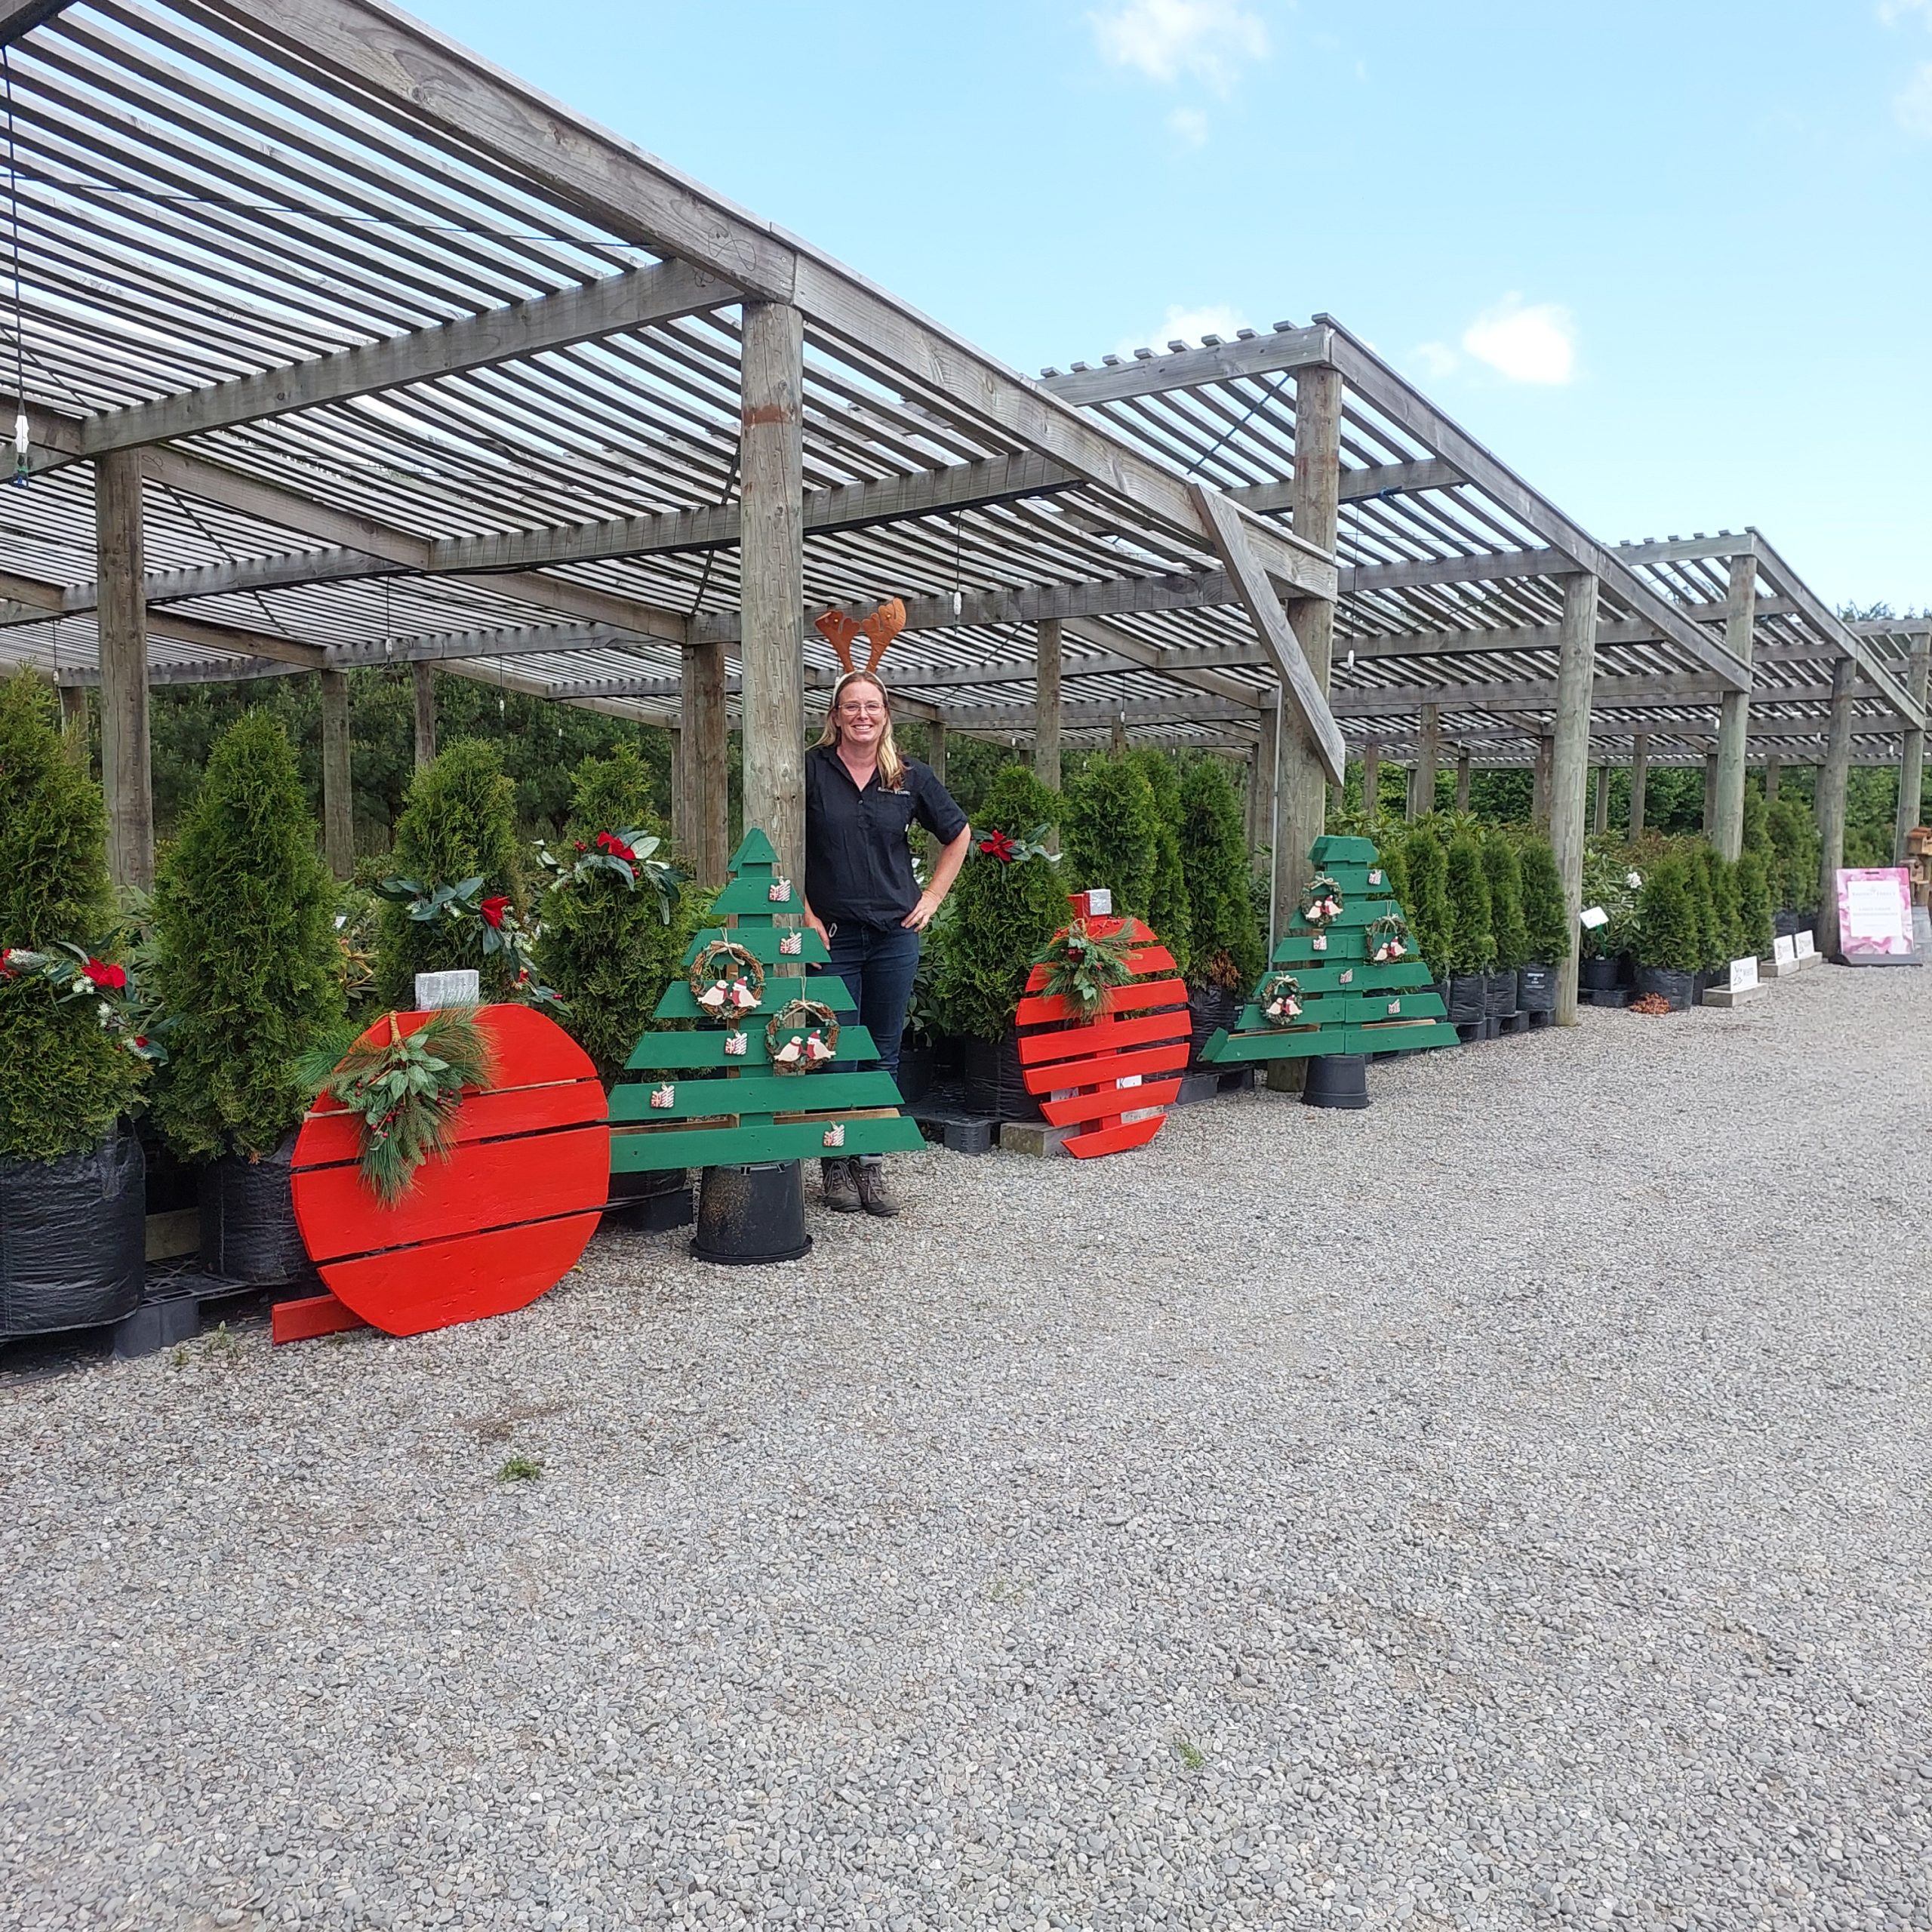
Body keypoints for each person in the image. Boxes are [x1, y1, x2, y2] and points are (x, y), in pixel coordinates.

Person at [803, 667, 970, 1217]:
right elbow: (781, 838)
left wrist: (933, 898)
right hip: (834, 938)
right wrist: (805, 914)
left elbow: (958, 833)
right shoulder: (811, 772)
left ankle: (869, 1164)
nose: (862, 715)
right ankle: (834, 1164)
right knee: (834, 1052)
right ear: (835, 716)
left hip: (894, 937)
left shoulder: (908, 777)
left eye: (871, 706)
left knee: (883, 1051)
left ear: (886, 714)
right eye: (851, 706)